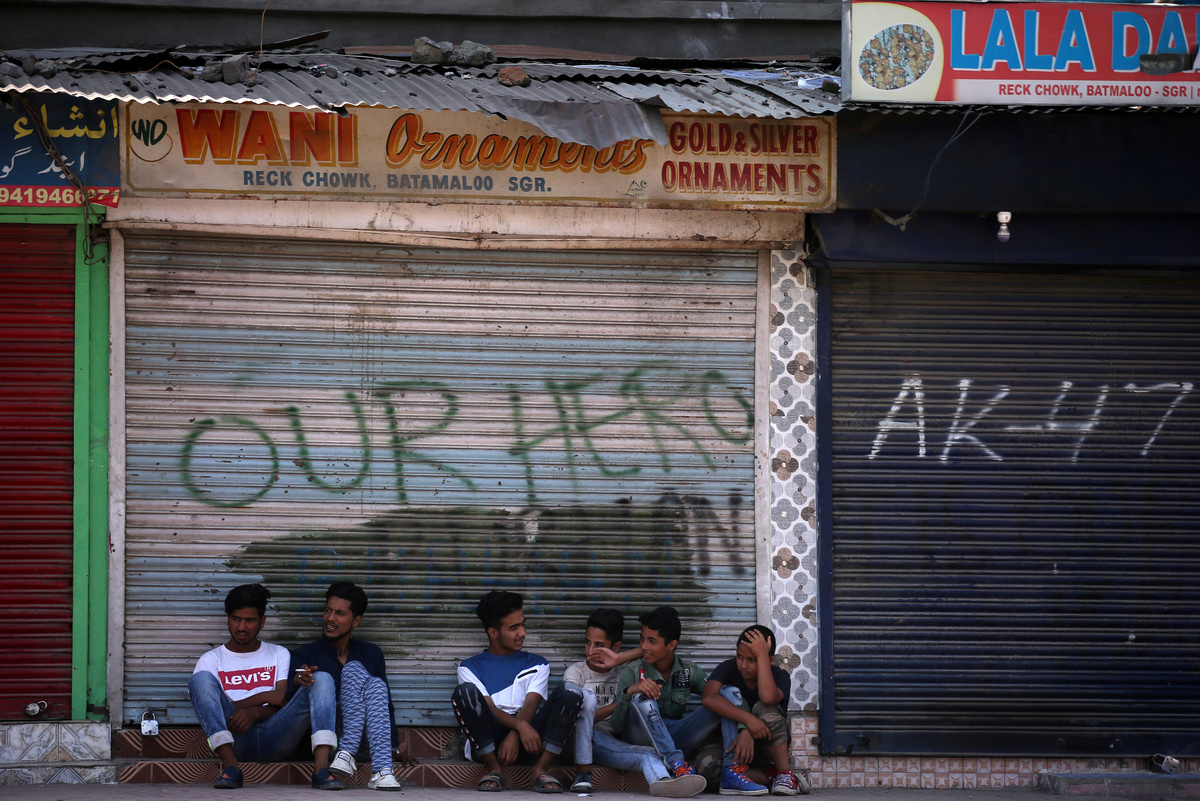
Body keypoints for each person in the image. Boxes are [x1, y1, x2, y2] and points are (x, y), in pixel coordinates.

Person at [188, 583, 340, 790]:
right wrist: (261, 699)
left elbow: (280, 701)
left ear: (262, 621)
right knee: (200, 680)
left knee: (321, 678)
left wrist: (254, 712)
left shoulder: (278, 654)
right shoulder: (211, 660)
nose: (241, 627)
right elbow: (212, 709)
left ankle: (321, 770)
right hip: (235, 739)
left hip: (278, 737)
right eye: (236, 619)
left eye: (250, 620)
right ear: (228, 619)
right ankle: (231, 767)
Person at [563, 608, 707, 798]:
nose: (591, 651)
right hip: (586, 739)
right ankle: (670, 770)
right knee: (637, 704)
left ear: (616, 647)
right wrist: (628, 694)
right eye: (588, 642)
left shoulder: (626, 670)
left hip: (615, 742)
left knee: (648, 753)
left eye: (599, 645)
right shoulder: (576, 673)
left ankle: (664, 782)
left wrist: (619, 659)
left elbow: (656, 650)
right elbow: (574, 718)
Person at [451, 590, 583, 793]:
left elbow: (531, 704)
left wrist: (516, 732)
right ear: (493, 633)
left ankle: (540, 769)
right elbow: (488, 708)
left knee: (571, 691)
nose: (523, 633)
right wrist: (520, 726)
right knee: (464, 692)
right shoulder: (470, 667)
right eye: (514, 628)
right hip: (490, 744)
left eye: (523, 624)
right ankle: (494, 769)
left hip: (531, 742)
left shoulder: (538, 664)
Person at [291, 581, 403, 791]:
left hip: (364, 745)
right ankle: (380, 769)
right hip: (325, 744)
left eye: (340, 613)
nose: (330, 619)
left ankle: (360, 757)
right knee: (355, 672)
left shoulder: (372, 653)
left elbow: (385, 705)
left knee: (373, 683)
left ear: (356, 621)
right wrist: (298, 681)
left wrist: (392, 747)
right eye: (328, 611)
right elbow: (289, 706)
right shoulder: (305, 655)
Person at [611, 607, 719, 787]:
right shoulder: (633, 671)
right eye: (642, 639)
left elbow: (719, 698)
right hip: (642, 742)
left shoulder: (688, 671)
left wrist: (744, 727)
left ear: (671, 645)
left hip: (677, 739)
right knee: (641, 698)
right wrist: (631, 691)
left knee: (728, 695)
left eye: (652, 641)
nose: (643, 647)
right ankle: (675, 762)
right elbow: (615, 726)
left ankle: (733, 768)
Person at [700, 624, 810, 796]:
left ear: (769, 660)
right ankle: (770, 778)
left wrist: (762, 656)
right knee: (706, 766)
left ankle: (785, 774)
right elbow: (709, 697)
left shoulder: (780, 676)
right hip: (733, 745)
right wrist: (747, 723)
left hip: (768, 746)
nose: (744, 665)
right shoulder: (728, 668)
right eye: (740, 657)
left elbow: (767, 698)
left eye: (752, 659)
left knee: (764, 708)